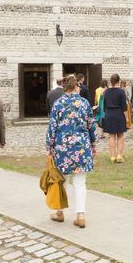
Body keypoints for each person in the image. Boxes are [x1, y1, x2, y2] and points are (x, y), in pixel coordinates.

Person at [46, 75, 97, 227]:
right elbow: (91, 125)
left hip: (62, 147)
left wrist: (49, 146)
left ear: (64, 87)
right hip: (81, 146)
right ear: (76, 87)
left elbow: (52, 127)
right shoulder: (84, 103)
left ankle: (59, 211)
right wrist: (93, 144)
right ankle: (80, 215)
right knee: (80, 182)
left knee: (61, 180)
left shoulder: (58, 103)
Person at [104, 74, 127, 163]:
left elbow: (104, 105)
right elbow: (124, 107)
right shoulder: (121, 92)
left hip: (109, 113)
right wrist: (126, 118)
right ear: (118, 81)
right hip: (119, 113)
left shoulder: (106, 91)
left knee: (111, 136)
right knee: (120, 135)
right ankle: (119, 155)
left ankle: (112, 156)